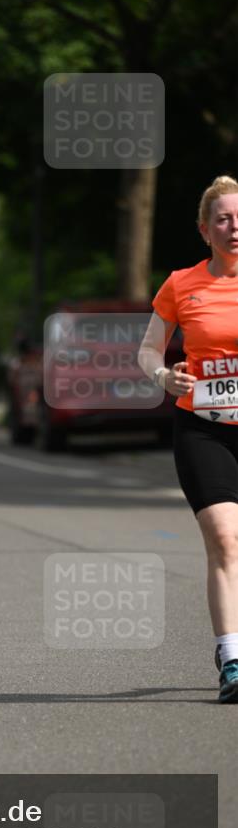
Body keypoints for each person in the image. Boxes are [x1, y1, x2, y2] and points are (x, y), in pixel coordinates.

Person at [138, 174, 238, 704]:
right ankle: (232, 657)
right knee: (224, 539)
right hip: (204, 427)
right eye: (223, 218)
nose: (234, 226)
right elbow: (148, 351)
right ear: (205, 230)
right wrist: (163, 378)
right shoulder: (182, 284)